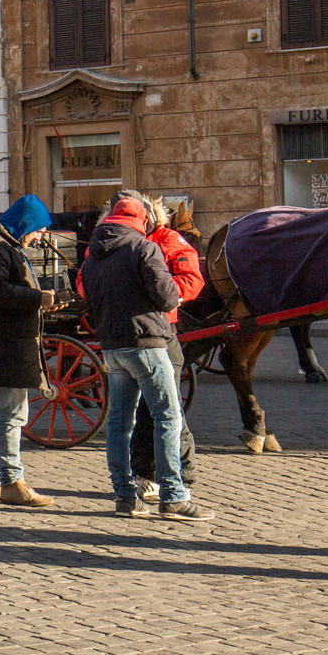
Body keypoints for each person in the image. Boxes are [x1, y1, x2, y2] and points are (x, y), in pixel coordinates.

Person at [80, 195, 212, 521]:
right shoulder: (144, 247)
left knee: (119, 423)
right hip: (149, 341)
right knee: (168, 416)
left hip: (111, 344)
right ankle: (174, 495)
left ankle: (125, 496)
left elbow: (86, 291)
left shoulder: (94, 254)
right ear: (144, 220)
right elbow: (168, 295)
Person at [0, 195, 60, 508]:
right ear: (25, 223)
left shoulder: (1, 244)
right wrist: (39, 299)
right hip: (3, 341)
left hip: (7, 339)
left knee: (3, 412)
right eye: (39, 229)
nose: (40, 236)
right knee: (11, 414)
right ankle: (10, 480)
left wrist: (40, 297)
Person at [129, 198, 204, 501]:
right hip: (132, 332)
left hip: (161, 332)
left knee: (168, 407)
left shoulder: (169, 240)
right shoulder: (127, 242)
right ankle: (144, 473)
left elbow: (191, 281)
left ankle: (182, 476)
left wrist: (157, 298)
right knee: (140, 409)